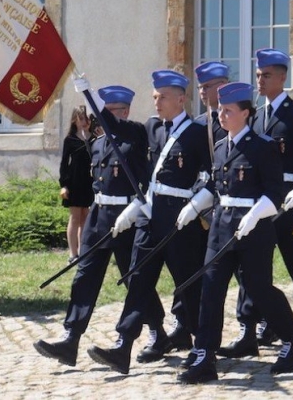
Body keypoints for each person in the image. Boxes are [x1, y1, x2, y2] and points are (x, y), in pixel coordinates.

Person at [82, 70, 211, 375]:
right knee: (138, 279)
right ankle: (123, 346)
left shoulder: (196, 134)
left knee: (188, 285)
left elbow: (211, 178)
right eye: (154, 96)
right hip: (151, 216)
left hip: (181, 219)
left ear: (181, 99)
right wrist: (92, 99)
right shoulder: (152, 127)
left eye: (162, 96)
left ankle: (203, 346)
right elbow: (117, 129)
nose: (156, 101)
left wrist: (196, 206)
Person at [176, 82, 293, 383]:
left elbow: (275, 194)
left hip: (254, 230)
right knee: (210, 291)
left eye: (228, 111)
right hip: (222, 228)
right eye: (220, 109)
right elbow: (217, 187)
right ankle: (205, 356)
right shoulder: (221, 147)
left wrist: (253, 217)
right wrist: (195, 206)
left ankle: (291, 340)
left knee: (259, 289)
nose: (221, 115)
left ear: (246, 113)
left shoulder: (264, 147)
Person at [33, 86, 166, 367]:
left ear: (124, 112)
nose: (100, 121)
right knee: (85, 277)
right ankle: (71, 338)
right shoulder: (97, 144)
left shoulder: (136, 137)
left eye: (109, 113)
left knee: (134, 278)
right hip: (99, 217)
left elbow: (138, 175)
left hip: (127, 217)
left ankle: (158, 330)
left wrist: (95, 104)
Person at [218, 48, 293, 360]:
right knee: (257, 261)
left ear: (282, 77)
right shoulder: (254, 115)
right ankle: (252, 327)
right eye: (258, 75)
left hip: (285, 198)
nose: (260, 80)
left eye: (266, 75)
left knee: (290, 261)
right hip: (258, 199)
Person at [160, 60, 230, 351]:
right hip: (198, 206)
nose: (202, 92)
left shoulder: (233, 121)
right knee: (187, 267)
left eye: (207, 87)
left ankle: (253, 325)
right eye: (199, 87)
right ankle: (183, 324)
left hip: (229, 205)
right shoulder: (199, 124)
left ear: (222, 87)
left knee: (236, 270)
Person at [59, 106, 96, 263]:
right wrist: (64, 185)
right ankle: (72, 254)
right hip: (74, 181)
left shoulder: (94, 138)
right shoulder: (70, 140)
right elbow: (64, 164)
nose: (83, 122)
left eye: (85, 119)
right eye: (80, 119)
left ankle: (83, 251)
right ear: (74, 119)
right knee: (74, 217)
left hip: (89, 182)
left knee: (85, 217)